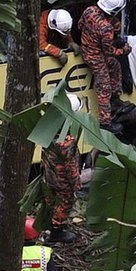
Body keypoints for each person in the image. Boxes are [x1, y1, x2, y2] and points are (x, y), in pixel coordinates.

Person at [79, 0, 131, 131]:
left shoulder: (89, 10)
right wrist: (125, 50)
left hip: (89, 49)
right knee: (104, 87)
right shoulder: (106, 28)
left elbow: (80, 25)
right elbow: (110, 51)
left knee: (115, 67)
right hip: (96, 57)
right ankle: (105, 122)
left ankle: (114, 100)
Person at [42, 94, 84, 243]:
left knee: (51, 200)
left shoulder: (48, 129)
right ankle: (57, 232)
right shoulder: (67, 141)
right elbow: (71, 166)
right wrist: (76, 183)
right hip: (62, 178)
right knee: (65, 202)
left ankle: (48, 225)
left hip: (49, 174)